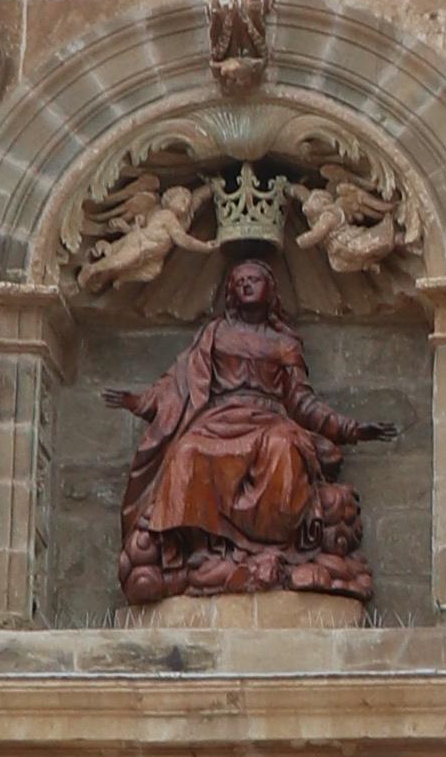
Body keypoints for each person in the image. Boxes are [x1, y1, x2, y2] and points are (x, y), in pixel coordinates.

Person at [113, 253, 388, 605]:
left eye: (253, 279)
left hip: (268, 420)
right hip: (219, 419)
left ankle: (274, 548)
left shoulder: (285, 344)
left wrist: (350, 429)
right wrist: (141, 402)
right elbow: (178, 385)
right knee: (186, 452)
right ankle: (203, 554)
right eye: (239, 280)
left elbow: (302, 402)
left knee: (284, 449)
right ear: (230, 291)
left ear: (270, 289)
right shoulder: (214, 334)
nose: (245, 284)